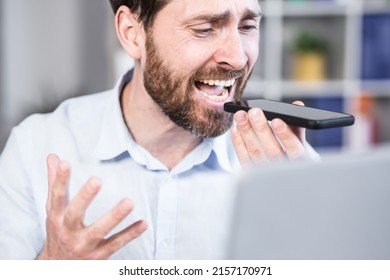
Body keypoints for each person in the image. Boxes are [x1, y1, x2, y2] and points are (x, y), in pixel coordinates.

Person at [0, 0, 317, 260]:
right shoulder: (34, 148)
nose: (237, 57)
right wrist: (54, 265)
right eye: (204, 29)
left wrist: (303, 236)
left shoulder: (288, 168)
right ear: (132, 33)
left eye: (247, 26)